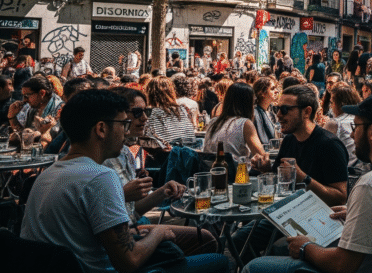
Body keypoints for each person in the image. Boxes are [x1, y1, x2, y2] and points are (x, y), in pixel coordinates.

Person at [22, 89, 228, 273]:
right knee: (219, 261)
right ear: (101, 129)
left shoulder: (49, 173)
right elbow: (129, 262)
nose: (126, 131)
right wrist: (158, 232)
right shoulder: (100, 177)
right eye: (124, 124)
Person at [242, 93, 372, 273]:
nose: (351, 136)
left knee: (253, 266)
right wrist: (355, 212)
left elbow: (343, 264)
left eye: (355, 127)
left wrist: (305, 247)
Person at [104, 87, 218, 255]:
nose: (144, 118)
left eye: (146, 111)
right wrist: (156, 234)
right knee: (210, 247)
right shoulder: (100, 161)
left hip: (132, 227)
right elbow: (124, 256)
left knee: (208, 238)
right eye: (136, 112)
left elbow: (132, 211)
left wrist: (163, 192)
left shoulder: (125, 153)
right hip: (121, 238)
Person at [203, 82, 268, 162]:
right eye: (253, 101)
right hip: (238, 173)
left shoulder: (213, 122)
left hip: (213, 171)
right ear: (248, 103)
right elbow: (261, 157)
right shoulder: (245, 124)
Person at [325, 84, 364, 170]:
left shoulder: (335, 123)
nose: (330, 106)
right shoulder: (361, 119)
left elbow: (322, 152)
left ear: (340, 104)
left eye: (331, 102)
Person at [146, 76, 195, 144]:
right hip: (187, 150)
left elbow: (151, 139)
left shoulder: (153, 113)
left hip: (167, 152)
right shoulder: (182, 110)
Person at [253, 76, 280, 144]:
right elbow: (263, 140)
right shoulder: (256, 114)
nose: (276, 91)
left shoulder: (270, 112)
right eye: (272, 89)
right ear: (262, 93)